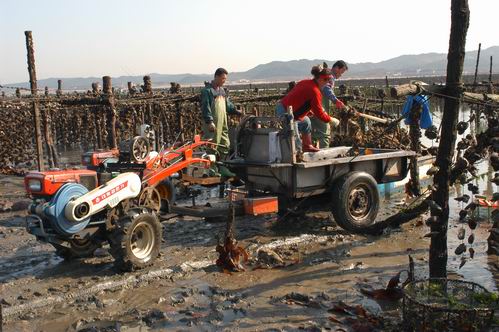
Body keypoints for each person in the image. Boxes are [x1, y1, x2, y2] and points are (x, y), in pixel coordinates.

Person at [276, 65, 337, 152]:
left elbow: (298, 99)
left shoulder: (305, 82)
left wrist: (308, 111)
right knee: (295, 141)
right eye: (325, 80)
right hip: (286, 113)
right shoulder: (315, 91)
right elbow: (319, 113)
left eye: (329, 80)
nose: (327, 83)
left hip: (286, 109)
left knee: (306, 122)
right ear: (319, 78)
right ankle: (297, 156)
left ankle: (307, 145)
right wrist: (330, 120)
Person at [201, 68, 242, 177]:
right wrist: (209, 121)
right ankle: (212, 169)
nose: (224, 81)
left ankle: (222, 167)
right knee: (212, 146)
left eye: (225, 79)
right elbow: (206, 107)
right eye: (223, 78)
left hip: (222, 122)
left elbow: (227, 105)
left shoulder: (222, 91)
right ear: (217, 77)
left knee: (225, 144)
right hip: (213, 123)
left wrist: (236, 111)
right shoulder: (207, 91)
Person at [311, 60, 348, 148]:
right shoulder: (330, 77)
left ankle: (311, 154)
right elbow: (326, 89)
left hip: (313, 109)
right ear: (336, 68)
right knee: (324, 133)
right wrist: (336, 100)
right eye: (341, 71)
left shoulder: (323, 76)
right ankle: (325, 156)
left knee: (314, 133)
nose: (341, 74)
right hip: (320, 109)